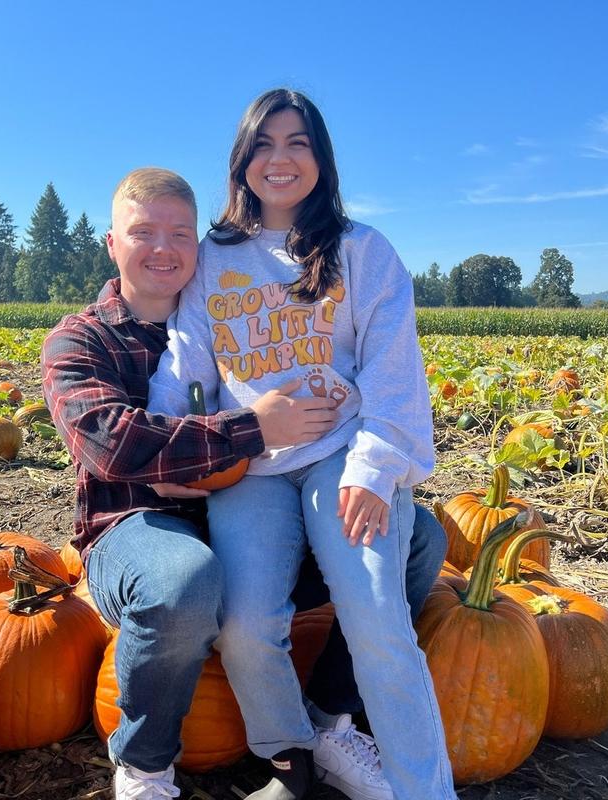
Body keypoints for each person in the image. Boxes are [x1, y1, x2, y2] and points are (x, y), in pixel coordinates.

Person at [42, 167, 447, 800]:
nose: (163, 248)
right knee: (185, 580)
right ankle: (146, 766)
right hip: (141, 527)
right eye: (142, 232)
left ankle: (328, 720)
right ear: (111, 242)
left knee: (417, 535)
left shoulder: (222, 313)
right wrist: (254, 428)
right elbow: (112, 443)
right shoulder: (81, 339)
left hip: (244, 515)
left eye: (180, 232)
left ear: (199, 247)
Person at [147, 90, 457, 800]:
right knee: (248, 625)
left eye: (297, 143)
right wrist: (171, 452)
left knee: (376, 614)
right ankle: (299, 751)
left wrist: (377, 470)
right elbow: (185, 364)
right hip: (250, 470)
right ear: (242, 160)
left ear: (321, 157)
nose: (279, 159)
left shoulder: (362, 252)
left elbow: (392, 372)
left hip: (343, 454)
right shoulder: (215, 258)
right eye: (264, 144)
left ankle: (426, 790)